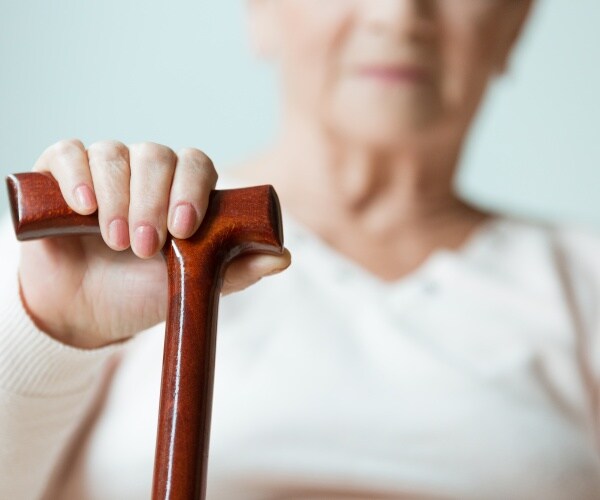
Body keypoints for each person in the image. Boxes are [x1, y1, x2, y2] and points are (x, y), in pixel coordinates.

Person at [2, 0, 600, 498]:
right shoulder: (96, 245)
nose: (399, 15)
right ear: (259, 11)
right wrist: (54, 330)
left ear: (515, 24)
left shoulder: (584, 279)